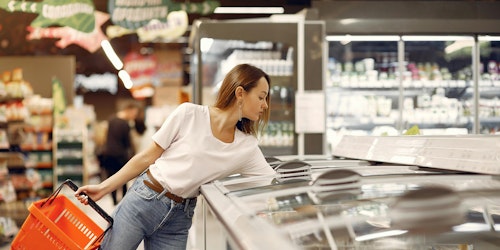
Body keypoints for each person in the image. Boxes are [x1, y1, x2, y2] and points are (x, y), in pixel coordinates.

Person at [75, 63, 276, 250]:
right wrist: (102, 188)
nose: (265, 105)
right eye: (261, 97)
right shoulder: (189, 114)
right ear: (240, 93)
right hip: (145, 199)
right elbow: (146, 157)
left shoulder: (246, 146)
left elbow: (273, 182)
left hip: (180, 218)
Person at [99, 100, 140, 205]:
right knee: (123, 179)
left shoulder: (111, 120)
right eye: (133, 113)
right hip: (120, 155)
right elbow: (127, 143)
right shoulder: (125, 124)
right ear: (128, 110)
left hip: (108, 154)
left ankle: (114, 202)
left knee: (111, 177)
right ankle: (122, 203)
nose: (134, 117)